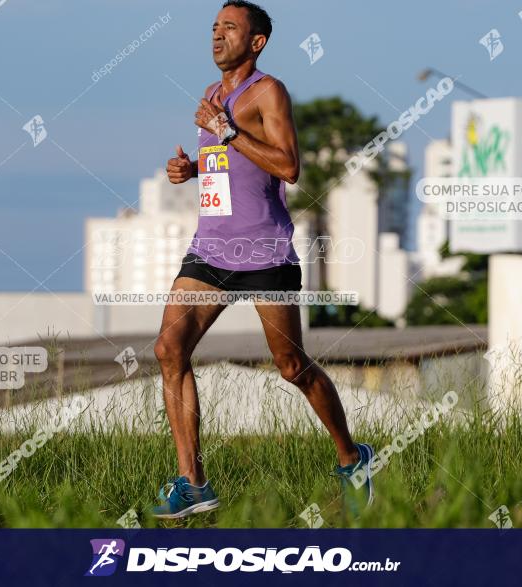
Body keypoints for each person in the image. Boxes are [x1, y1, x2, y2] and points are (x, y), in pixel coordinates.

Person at [150, 0, 374, 519]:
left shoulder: (268, 92)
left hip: (264, 252)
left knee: (291, 366)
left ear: (257, 42)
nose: (217, 35)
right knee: (168, 348)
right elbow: (232, 170)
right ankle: (194, 482)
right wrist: (193, 171)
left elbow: (288, 166)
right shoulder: (211, 95)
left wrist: (227, 131)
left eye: (230, 27)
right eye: (213, 27)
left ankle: (352, 457)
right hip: (210, 251)